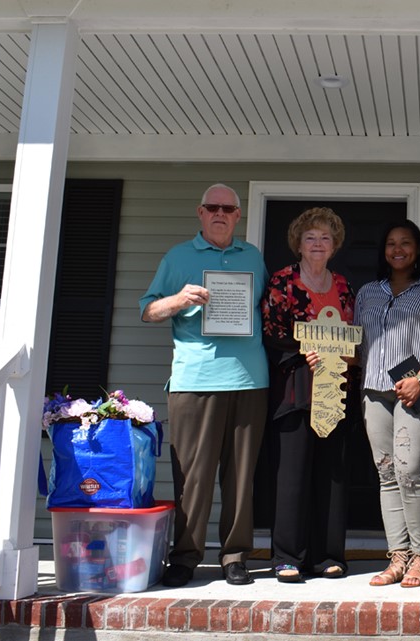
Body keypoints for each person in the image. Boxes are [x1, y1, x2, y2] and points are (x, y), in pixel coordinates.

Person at [140, 184, 268, 587]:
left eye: (228, 209)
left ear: (238, 215)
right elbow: (148, 311)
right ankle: (185, 555)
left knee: (240, 476)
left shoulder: (253, 257)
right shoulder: (178, 257)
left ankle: (234, 555)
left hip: (249, 380)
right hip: (194, 380)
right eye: (212, 207)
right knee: (192, 477)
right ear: (200, 212)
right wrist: (178, 300)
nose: (220, 213)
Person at [261, 206, 357, 583]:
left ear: (334, 246)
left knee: (331, 474)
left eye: (325, 238)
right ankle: (287, 556)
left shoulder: (344, 286)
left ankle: (328, 555)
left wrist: (345, 355)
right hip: (295, 390)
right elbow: (270, 333)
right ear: (298, 244)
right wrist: (303, 352)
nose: (318, 244)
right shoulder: (283, 282)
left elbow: (351, 334)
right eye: (310, 238)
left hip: (335, 389)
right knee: (292, 475)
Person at [355, 221, 420, 588]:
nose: (397, 249)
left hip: (418, 394)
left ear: (417, 249)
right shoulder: (367, 293)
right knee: (387, 474)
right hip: (374, 392)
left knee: (410, 472)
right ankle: (398, 557)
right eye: (391, 243)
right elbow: (358, 345)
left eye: (405, 243)